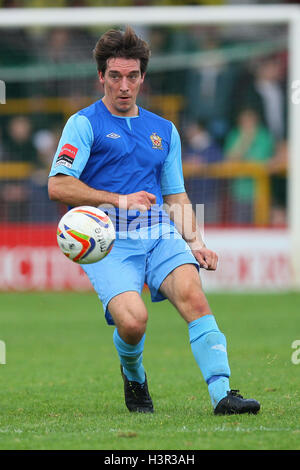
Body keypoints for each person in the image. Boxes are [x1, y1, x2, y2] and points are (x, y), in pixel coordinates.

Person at [48, 27, 260, 416]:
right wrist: (118, 199)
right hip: (108, 242)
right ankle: (134, 376)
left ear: (143, 77)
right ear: (101, 77)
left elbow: (175, 194)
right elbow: (59, 186)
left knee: (194, 297)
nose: (124, 86)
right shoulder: (83, 124)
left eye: (132, 76)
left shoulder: (164, 130)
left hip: (159, 233)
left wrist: (196, 242)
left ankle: (223, 395)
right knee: (134, 322)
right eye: (115, 76)